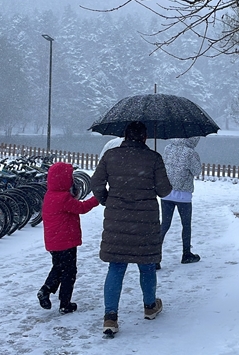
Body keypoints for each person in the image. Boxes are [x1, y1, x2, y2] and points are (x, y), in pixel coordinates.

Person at [90, 121, 173, 336]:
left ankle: (110, 317)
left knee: (116, 267)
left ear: (124, 136)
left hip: (117, 219)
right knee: (146, 264)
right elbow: (164, 191)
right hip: (145, 222)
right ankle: (149, 306)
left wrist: (107, 199)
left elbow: (95, 183)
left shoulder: (110, 156)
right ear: (144, 138)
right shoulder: (154, 158)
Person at [37, 162, 99, 314]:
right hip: (66, 241)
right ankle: (65, 303)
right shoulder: (63, 198)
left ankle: (46, 290)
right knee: (69, 272)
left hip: (53, 242)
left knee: (58, 268)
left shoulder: (50, 195)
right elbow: (82, 208)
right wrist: (97, 199)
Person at [159, 137, 202, 269]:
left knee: (164, 224)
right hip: (183, 195)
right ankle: (186, 254)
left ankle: (154, 256)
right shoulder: (190, 152)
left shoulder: (168, 148)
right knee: (186, 225)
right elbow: (197, 171)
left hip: (166, 192)